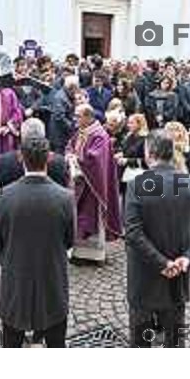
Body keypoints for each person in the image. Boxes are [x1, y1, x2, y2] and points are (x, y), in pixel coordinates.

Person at [125, 130, 190, 347]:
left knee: (141, 340)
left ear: (150, 152)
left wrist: (162, 263)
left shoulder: (137, 184)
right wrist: (189, 257)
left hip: (145, 276)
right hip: (178, 274)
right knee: (174, 339)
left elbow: (133, 231)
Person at [0, 136, 75, 348]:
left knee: (11, 343)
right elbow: (69, 240)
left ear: (21, 159)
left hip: (15, 281)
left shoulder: (2, 196)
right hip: (52, 282)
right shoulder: (65, 197)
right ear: (48, 159)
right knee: (56, 344)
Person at [66, 104, 122, 263]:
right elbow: (70, 146)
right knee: (79, 217)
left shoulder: (100, 136)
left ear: (88, 117)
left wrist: (76, 160)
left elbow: (95, 160)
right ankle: (80, 254)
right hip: (79, 183)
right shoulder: (81, 132)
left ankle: (96, 256)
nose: (75, 119)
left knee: (93, 218)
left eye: (78, 116)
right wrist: (70, 155)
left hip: (94, 186)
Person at [0, 118, 69, 188]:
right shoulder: (59, 162)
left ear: (22, 136)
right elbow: (64, 188)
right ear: (44, 135)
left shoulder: (5, 161)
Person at [47, 74, 78, 154]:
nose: (77, 90)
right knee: (59, 158)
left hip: (64, 134)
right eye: (76, 88)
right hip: (59, 136)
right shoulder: (60, 97)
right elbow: (59, 117)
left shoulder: (67, 94)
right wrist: (73, 126)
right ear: (71, 87)